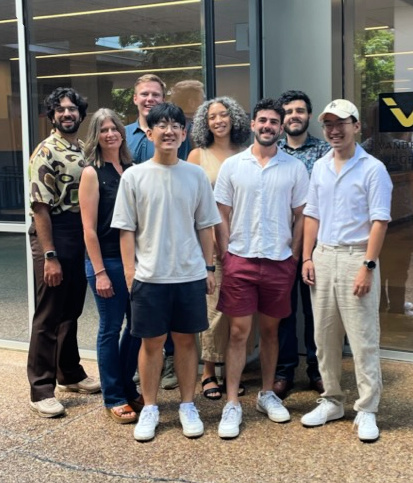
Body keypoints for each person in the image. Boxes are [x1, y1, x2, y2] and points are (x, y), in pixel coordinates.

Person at [111, 102, 221, 441]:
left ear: (184, 134)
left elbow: (206, 226)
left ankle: (187, 405)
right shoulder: (134, 176)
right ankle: (150, 407)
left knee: (186, 342)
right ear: (149, 132)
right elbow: (126, 229)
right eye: (161, 125)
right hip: (149, 276)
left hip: (189, 274)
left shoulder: (195, 175)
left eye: (175, 125)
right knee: (151, 344)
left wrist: (209, 267)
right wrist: (130, 272)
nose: (169, 131)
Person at [214, 98, 309, 438]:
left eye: (273, 122)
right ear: (253, 124)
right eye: (262, 120)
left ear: (281, 128)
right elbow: (221, 214)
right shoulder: (233, 166)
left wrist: (294, 256)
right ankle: (232, 402)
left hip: (278, 261)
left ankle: (267, 393)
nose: (268, 126)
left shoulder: (294, 168)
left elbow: (301, 215)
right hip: (240, 259)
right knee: (238, 333)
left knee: (271, 332)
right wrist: (226, 255)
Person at [301, 99, 393, 442]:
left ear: (356, 126)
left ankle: (367, 408)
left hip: (357, 256)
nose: (334, 130)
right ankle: (332, 400)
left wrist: (368, 266)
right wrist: (307, 257)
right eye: (328, 124)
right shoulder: (320, 166)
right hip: (324, 256)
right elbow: (312, 214)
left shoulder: (373, 169)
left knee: (362, 338)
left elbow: (380, 221)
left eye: (341, 123)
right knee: (323, 338)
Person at [28, 87, 100, 418]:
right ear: (52, 115)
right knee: (49, 314)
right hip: (53, 234)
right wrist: (50, 255)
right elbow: (40, 208)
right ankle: (41, 389)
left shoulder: (82, 148)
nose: (67, 114)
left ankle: (69, 373)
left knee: (71, 309)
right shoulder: (46, 151)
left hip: (77, 234)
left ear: (81, 114)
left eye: (72, 109)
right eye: (60, 109)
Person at [125, 74, 191, 389]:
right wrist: (129, 269)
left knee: (179, 327)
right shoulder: (123, 136)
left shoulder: (180, 144)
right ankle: (142, 371)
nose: (149, 99)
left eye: (155, 94)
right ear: (135, 98)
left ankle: (171, 368)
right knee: (142, 326)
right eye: (144, 94)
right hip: (141, 244)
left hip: (176, 249)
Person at [79, 108, 143, 424]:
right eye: (103, 130)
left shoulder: (133, 169)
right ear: (96, 136)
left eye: (114, 128)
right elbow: (88, 229)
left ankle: (126, 384)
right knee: (110, 327)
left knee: (137, 327)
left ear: (122, 132)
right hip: (106, 262)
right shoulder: (92, 173)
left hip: (134, 261)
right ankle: (114, 396)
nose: (110, 134)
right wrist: (100, 271)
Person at [188, 96, 252, 400]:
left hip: (243, 243)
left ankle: (232, 372)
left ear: (233, 118)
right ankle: (208, 372)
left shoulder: (245, 153)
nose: (218, 121)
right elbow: (192, 204)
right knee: (213, 310)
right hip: (210, 244)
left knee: (237, 311)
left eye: (223, 114)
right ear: (205, 123)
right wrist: (210, 247)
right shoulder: (197, 156)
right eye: (212, 116)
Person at [274, 90, 330, 399]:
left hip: (317, 247)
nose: (294, 115)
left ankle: (317, 371)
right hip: (280, 246)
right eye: (288, 111)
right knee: (283, 313)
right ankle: (284, 371)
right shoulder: (272, 150)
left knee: (315, 312)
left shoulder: (325, 151)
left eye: (300, 110)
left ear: (309, 115)